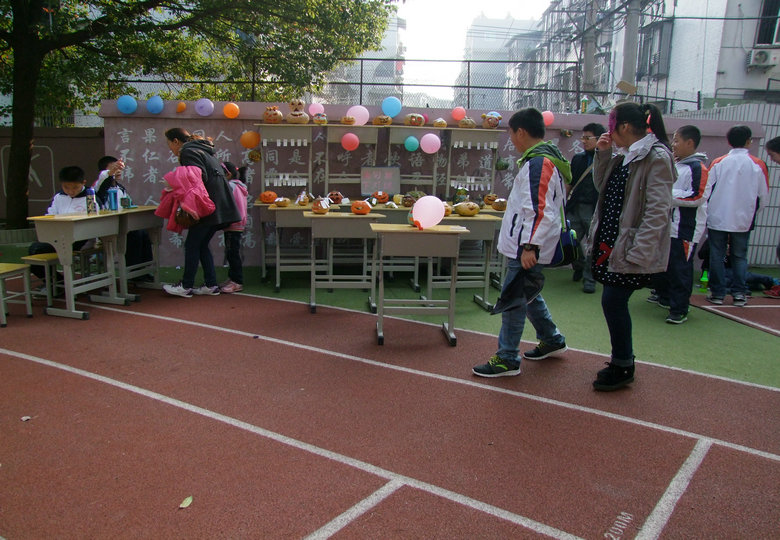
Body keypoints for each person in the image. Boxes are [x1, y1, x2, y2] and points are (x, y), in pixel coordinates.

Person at [472, 108, 570, 378]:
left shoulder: (538, 163)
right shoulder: (543, 159)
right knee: (527, 293)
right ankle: (551, 338)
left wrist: (530, 246)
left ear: (522, 132)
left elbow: (539, 210)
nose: (511, 139)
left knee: (514, 298)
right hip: (527, 243)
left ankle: (507, 357)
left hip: (527, 246)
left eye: (512, 133)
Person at [587, 102, 675, 391]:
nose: (609, 132)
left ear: (624, 126)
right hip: (614, 242)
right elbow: (602, 186)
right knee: (612, 301)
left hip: (629, 246)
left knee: (613, 301)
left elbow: (658, 210)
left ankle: (623, 363)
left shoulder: (655, 157)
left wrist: (640, 251)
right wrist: (602, 154)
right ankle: (622, 361)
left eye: (612, 126)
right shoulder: (624, 155)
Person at [162, 128, 240, 298]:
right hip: (220, 205)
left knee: (192, 244)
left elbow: (195, 178)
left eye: (169, 144)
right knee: (201, 244)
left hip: (207, 206)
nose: (170, 149)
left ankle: (186, 285)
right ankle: (210, 284)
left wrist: (174, 185)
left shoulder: (188, 151)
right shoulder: (204, 150)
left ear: (176, 141)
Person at [649, 125, 710, 324]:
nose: (673, 145)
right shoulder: (675, 164)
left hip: (685, 229)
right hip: (667, 227)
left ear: (690, 143)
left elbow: (697, 196)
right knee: (665, 266)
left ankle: (679, 309)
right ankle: (665, 297)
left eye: (676, 140)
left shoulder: (698, 168)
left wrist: (666, 196)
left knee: (680, 269)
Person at [705, 125, 769, 307]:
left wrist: (707, 211)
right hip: (744, 218)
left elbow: (706, 190)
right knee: (739, 256)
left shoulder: (718, 162)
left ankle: (717, 294)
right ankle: (739, 294)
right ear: (749, 141)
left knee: (716, 256)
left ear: (728, 141)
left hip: (717, 216)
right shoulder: (758, 164)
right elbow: (763, 195)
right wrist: (754, 213)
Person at [28, 166, 92, 278]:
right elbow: (50, 215)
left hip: (79, 238)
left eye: (75, 187)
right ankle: (57, 282)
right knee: (34, 253)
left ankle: (57, 283)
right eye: (66, 187)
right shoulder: (59, 197)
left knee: (36, 250)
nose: (71, 191)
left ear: (83, 183)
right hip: (58, 236)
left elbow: (94, 218)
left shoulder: (90, 197)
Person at [94, 156, 153, 276]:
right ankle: (133, 272)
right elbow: (104, 177)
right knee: (135, 235)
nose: (117, 171)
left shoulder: (120, 188)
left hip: (122, 225)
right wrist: (110, 172)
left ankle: (143, 270)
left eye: (118, 168)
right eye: (113, 168)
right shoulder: (99, 186)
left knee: (143, 233)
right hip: (108, 227)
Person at [568, 122, 606, 293]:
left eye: (587, 137)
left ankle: (590, 279)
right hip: (575, 206)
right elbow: (570, 182)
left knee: (593, 245)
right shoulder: (578, 159)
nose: (583, 141)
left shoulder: (608, 160)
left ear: (599, 139)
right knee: (570, 240)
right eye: (582, 137)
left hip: (595, 209)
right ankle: (579, 265)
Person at [219, 161, 248, 293]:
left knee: (232, 253)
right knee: (232, 252)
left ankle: (237, 281)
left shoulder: (230, 186)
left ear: (228, 174)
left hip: (233, 223)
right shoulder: (239, 186)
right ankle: (233, 278)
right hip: (238, 223)